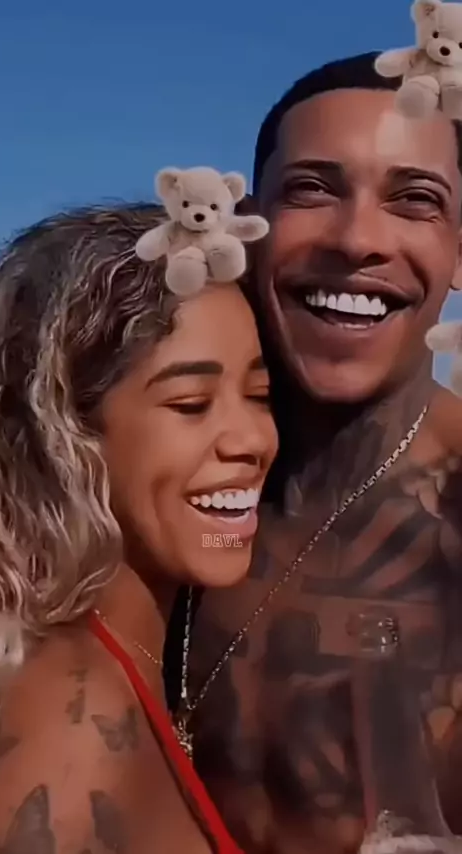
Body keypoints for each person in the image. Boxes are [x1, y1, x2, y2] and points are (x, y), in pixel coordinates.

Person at [182, 52, 462, 854]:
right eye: (312, 189)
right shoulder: (146, 473)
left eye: (416, 200)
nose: (357, 239)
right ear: (247, 227)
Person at [0, 201, 278, 852]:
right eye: (191, 404)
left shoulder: (136, 657)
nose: (253, 439)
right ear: (64, 435)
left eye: (260, 395)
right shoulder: (71, 736)